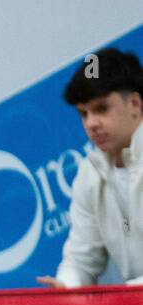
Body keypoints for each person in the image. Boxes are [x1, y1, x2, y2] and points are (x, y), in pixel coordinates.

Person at [38, 48, 143, 288]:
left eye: (101, 109)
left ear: (135, 104)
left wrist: (125, 300)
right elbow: (81, 261)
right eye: (83, 114)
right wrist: (66, 287)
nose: (91, 124)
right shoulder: (89, 172)